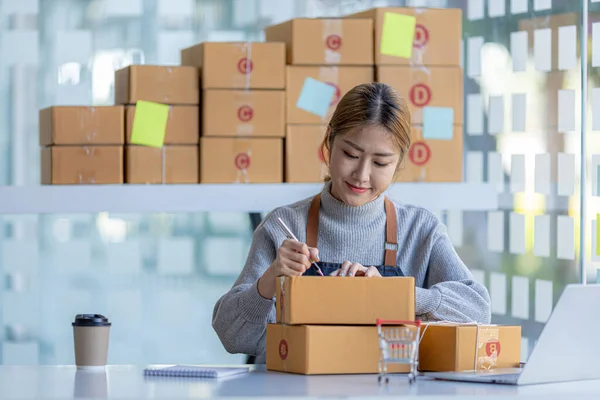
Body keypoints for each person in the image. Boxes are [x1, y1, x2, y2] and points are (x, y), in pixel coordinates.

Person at [212, 82, 491, 364]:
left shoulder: (421, 229)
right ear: (329, 144)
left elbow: (479, 311)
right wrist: (271, 280)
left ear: (398, 164)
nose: (361, 175)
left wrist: (398, 295)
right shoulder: (282, 226)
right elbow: (232, 338)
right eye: (351, 155)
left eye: (380, 163)